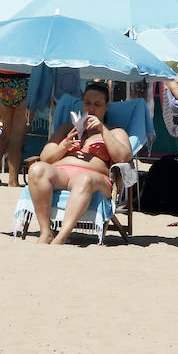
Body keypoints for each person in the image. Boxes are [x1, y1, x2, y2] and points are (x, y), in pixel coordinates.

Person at [25, 82, 133, 244]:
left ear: (106, 106)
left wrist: (103, 130)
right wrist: (64, 146)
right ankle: (46, 232)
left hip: (95, 179)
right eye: (87, 103)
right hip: (61, 175)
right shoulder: (67, 129)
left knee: (84, 178)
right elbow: (45, 157)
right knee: (36, 169)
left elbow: (124, 157)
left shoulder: (115, 131)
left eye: (97, 105)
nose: (91, 109)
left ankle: (61, 237)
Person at [0, 69, 31, 186]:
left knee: (5, 135)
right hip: (25, 79)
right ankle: (12, 180)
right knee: (17, 137)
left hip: (5, 80)